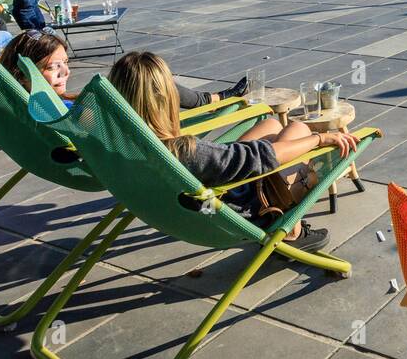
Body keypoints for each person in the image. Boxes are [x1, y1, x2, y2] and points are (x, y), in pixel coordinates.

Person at [109, 51, 349, 247]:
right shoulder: (184, 151)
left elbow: (230, 158)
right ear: (166, 99)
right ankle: (292, 233)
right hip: (231, 211)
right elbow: (263, 158)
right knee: (298, 130)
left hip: (187, 205)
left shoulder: (118, 143)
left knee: (271, 124)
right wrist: (320, 139)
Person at [0, 29, 249, 107]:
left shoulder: (31, 103)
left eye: (66, 63)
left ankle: (209, 98)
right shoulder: (54, 109)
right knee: (146, 74)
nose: (66, 72)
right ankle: (211, 100)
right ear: (23, 72)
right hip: (123, 151)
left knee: (144, 74)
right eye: (54, 67)